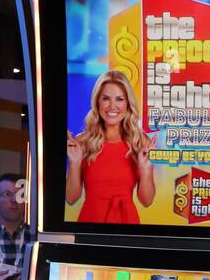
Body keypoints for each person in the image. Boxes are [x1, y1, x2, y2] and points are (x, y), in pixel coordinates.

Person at [65, 70, 155, 224]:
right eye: (106, 98)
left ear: (128, 104)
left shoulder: (140, 141)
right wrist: (74, 163)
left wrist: (146, 171)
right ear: (97, 102)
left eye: (119, 99)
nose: (112, 106)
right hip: (90, 226)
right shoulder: (82, 141)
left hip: (127, 228)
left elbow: (147, 201)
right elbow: (71, 198)